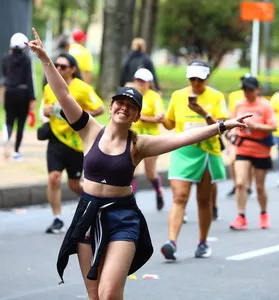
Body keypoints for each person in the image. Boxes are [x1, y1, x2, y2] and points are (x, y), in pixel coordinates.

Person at [27, 28, 251, 300]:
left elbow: (183, 137)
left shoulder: (139, 144)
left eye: (130, 106)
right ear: (111, 107)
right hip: (88, 214)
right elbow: (63, 94)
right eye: (119, 102)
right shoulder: (89, 131)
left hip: (122, 217)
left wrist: (222, 125)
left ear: (136, 115)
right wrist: (44, 59)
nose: (124, 108)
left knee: (109, 293)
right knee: (95, 294)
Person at [160, 60, 229, 260]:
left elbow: (221, 126)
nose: (196, 82)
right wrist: (160, 118)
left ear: (207, 78)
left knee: (203, 200)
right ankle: (171, 242)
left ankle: (202, 242)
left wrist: (203, 112)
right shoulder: (178, 95)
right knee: (179, 196)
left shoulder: (216, 97)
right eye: (192, 78)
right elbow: (170, 123)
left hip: (207, 150)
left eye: (199, 79)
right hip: (183, 150)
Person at [43, 52, 104, 234]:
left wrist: (77, 113)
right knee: (53, 178)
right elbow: (46, 109)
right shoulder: (49, 88)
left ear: (73, 69)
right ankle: (57, 218)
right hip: (56, 139)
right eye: (57, 65)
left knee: (74, 184)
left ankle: (95, 204)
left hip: (77, 142)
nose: (59, 69)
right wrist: (47, 111)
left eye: (63, 66)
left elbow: (99, 108)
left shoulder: (83, 88)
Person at [229, 76, 277, 230]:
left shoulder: (265, 106)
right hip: (243, 148)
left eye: (250, 89)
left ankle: (264, 213)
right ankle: (241, 216)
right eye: (244, 89)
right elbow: (232, 124)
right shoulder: (239, 105)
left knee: (259, 186)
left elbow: (273, 127)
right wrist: (231, 132)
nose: (247, 92)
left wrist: (255, 125)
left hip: (261, 150)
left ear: (258, 89)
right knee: (240, 183)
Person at [130, 68, 165, 210]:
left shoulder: (154, 97)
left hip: (151, 139)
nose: (140, 84)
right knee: (130, 169)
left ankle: (159, 191)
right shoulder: (132, 95)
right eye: (138, 80)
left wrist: (142, 117)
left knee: (150, 173)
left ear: (149, 83)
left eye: (143, 81)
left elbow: (159, 117)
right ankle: (131, 200)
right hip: (134, 138)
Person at [2, 32, 36, 161]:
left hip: (9, 92)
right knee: (21, 123)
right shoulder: (26, 60)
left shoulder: (5, 59)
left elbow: (4, 74)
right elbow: (29, 79)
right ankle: (16, 152)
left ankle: (7, 140)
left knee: (9, 120)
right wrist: (32, 97)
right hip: (23, 94)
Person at [225, 73, 254, 198]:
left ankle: (248, 186)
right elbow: (232, 115)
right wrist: (229, 131)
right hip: (236, 134)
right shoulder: (234, 97)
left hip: (251, 134)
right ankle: (236, 184)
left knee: (250, 163)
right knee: (232, 161)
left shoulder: (255, 96)